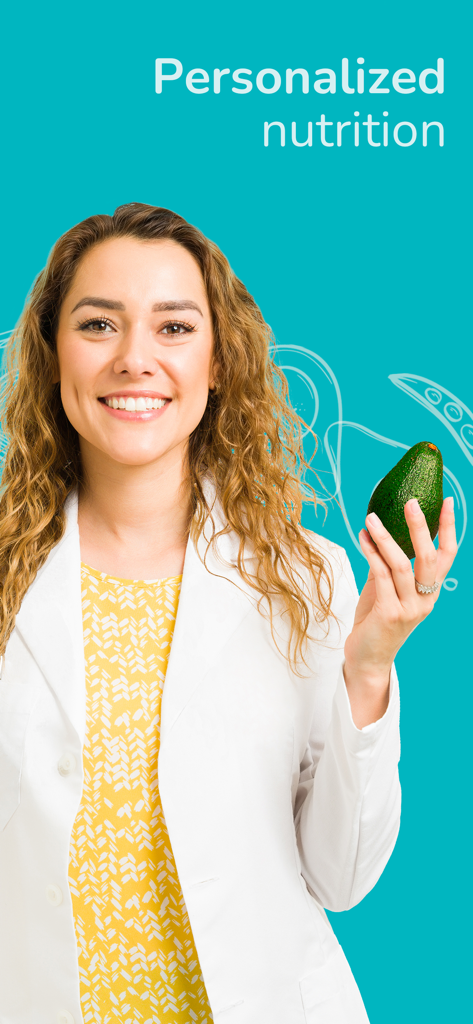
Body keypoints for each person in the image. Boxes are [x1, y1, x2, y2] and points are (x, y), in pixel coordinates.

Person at [0, 203, 457, 1024]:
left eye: (174, 327)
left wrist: (367, 670)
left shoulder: (306, 578)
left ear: (216, 365)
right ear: (51, 353)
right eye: (98, 323)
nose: (135, 359)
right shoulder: (8, 576)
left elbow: (340, 879)